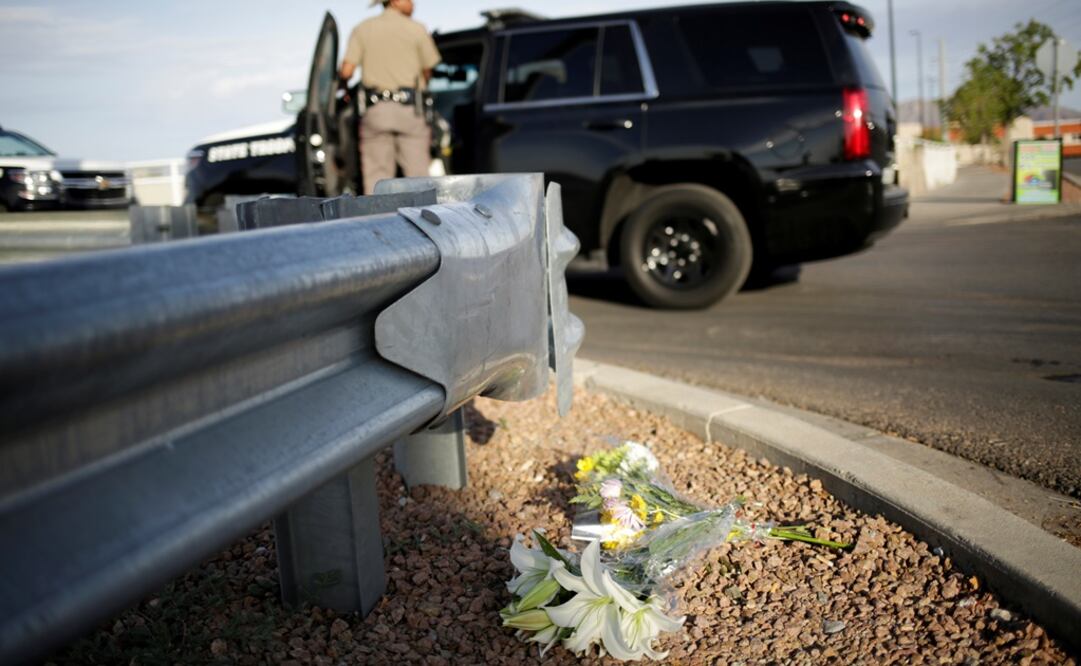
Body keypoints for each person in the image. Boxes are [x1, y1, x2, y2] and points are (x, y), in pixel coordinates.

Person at [339, 0, 442, 194]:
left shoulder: (363, 29)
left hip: (375, 112)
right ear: (394, 2)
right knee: (419, 181)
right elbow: (428, 69)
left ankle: (378, 222)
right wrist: (420, 84)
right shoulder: (417, 29)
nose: (413, 4)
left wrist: (344, 89)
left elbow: (346, 71)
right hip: (411, 111)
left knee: (378, 183)